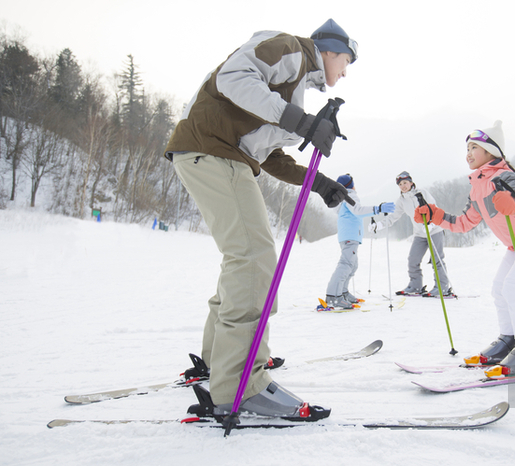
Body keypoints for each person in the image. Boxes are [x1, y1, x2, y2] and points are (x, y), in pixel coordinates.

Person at [163, 19, 358, 420]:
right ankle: (239, 386)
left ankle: (220, 362)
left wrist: (318, 183)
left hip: (219, 154)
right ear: (331, 49)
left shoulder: (297, 84)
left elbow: (266, 153)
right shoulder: (292, 50)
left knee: (243, 260)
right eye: (347, 60)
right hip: (215, 151)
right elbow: (232, 77)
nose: (346, 70)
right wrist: (301, 122)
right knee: (253, 260)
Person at [414, 120, 515, 375]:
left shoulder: (504, 176)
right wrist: (435, 215)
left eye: (474, 147)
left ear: (490, 152)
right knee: (499, 289)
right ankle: (510, 339)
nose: (468, 153)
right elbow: (464, 223)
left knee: (514, 286)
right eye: (467, 149)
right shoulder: (478, 186)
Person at [368, 172, 451, 297]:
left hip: (434, 231)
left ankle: (442, 287)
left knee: (437, 260)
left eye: (405, 183)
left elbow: (435, 209)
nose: (403, 186)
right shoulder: (401, 201)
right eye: (400, 184)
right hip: (419, 234)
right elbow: (393, 217)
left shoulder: (422, 193)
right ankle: (415, 286)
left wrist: (432, 224)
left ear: (411, 182)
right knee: (413, 260)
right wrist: (378, 225)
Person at [325, 174, 395, 309]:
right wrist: (378, 209)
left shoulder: (342, 198)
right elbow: (358, 211)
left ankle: (343, 292)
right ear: (351, 185)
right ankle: (333, 296)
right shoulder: (349, 195)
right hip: (350, 236)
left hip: (349, 236)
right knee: (346, 264)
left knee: (352, 265)